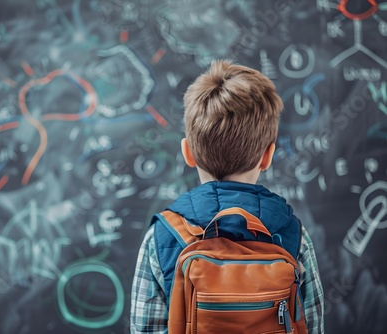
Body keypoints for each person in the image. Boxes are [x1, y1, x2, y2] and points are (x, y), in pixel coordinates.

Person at [130, 59, 324, 334]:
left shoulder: (163, 235)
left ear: (188, 153)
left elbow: (144, 328)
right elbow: (313, 326)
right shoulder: (292, 232)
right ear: (267, 156)